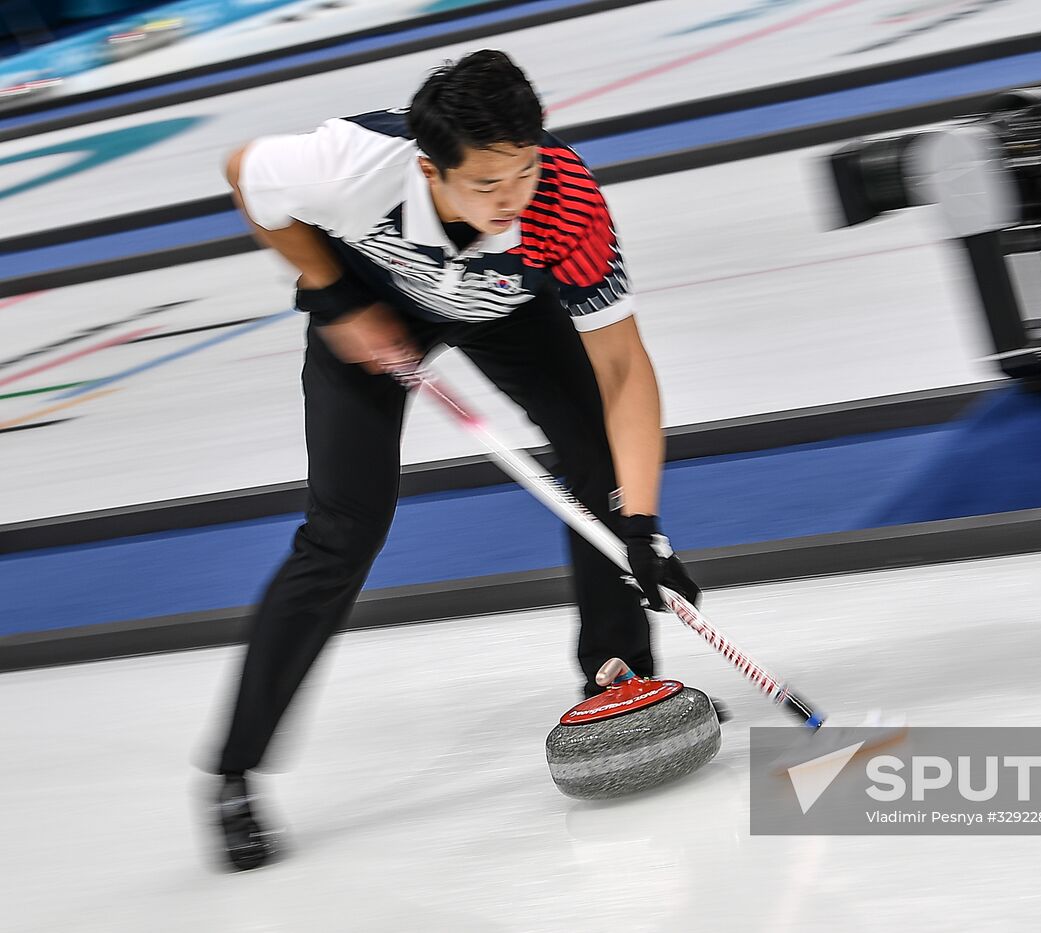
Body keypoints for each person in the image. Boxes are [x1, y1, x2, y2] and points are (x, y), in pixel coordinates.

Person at [210, 49, 700, 871]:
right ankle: (235, 772)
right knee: (345, 528)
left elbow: (623, 370)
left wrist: (642, 525)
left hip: (506, 308)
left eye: (525, 172)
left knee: (598, 460)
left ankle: (619, 678)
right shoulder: (350, 168)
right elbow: (244, 175)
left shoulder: (565, 202)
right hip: (374, 294)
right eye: (486, 185)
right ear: (430, 168)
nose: (513, 200)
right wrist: (333, 297)